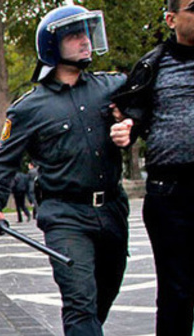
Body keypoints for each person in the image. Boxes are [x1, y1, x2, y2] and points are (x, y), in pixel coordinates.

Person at [0, 5, 129, 336]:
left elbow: (148, 106)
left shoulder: (112, 88)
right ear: (52, 46)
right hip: (65, 214)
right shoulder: (29, 108)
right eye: (75, 35)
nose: (85, 41)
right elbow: (4, 159)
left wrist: (129, 122)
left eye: (87, 34)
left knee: (103, 295)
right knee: (79, 302)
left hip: (113, 210)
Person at [110, 0, 194, 334]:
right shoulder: (153, 65)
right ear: (172, 19)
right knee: (176, 291)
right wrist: (126, 126)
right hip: (170, 192)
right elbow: (133, 114)